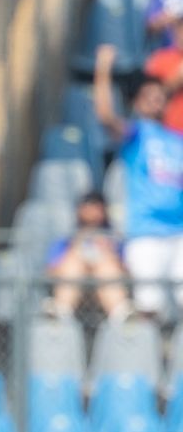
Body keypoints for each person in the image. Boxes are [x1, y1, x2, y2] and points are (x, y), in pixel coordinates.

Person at [95, 44, 183, 317]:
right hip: (146, 233)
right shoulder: (136, 134)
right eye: (148, 97)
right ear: (136, 102)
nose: (155, 101)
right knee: (149, 309)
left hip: (179, 233)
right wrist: (103, 69)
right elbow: (106, 116)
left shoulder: (177, 139)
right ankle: (151, 358)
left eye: (159, 97)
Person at [43, 191, 131, 320]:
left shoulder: (115, 239)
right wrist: (75, 249)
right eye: (88, 205)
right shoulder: (67, 240)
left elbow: (128, 272)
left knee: (106, 265)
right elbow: (50, 273)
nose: (92, 211)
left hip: (106, 288)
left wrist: (108, 253)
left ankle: (121, 316)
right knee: (73, 263)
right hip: (74, 287)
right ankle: (61, 314)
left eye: (96, 206)